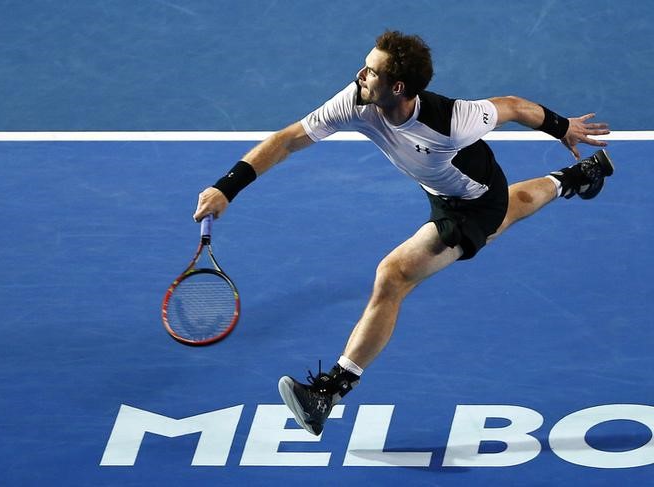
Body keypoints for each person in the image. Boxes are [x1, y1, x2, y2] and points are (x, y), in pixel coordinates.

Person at [192, 30, 613, 436]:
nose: (360, 75)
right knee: (512, 208)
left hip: (473, 203)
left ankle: (329, 392)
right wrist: (226, 187)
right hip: (449, 189)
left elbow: (514, 106)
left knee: (393, 275)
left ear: (396, 87)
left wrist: (563, 127)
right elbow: (287, 141)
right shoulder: (357, 100)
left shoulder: (454, 120)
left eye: (371, 71)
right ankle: (577, 177)